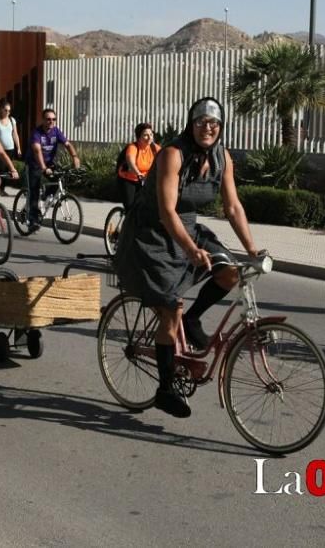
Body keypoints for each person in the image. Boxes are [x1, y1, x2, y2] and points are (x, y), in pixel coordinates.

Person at [114, 97, 261, 418]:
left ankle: (193, 319)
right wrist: (191, 250)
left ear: (221, 128)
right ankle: (165, 388)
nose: (207, 128)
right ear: (190, 124)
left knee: (230, 272)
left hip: (189, 227)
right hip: (150, 234)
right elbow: (167, 211)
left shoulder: (223, 158)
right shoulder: (172, 154)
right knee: (170, 310)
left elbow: (233, 207)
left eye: (214, 123)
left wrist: (252, 250)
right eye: (201, 122)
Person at [25, 108, 80, 230]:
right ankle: (33, 220)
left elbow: (67, 144)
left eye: (53, 119)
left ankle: (45, 197)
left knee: (59, 178)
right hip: (35, 164)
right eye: (48, 119)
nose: (51, 121)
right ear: (43, 120)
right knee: (34, 191)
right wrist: (43, 168)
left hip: (49, 163)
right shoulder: (37, 133)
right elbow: (37, 150)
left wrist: (75, 157)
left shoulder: (56, 131)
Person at [116, 122, 161, 209]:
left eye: (151, 135)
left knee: (148, 206)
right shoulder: (133, 147)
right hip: (128, 179)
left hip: (144, 180)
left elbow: (165, 160)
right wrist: (138, 174)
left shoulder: (155, 148)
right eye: (145, 135)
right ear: (138, 137)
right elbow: (131, 162)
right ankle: (128, 221)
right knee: (130, 207)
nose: (149, 138)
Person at [0, 101, 22, 195]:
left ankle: (2, 189)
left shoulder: (12, 120)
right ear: (1, 109)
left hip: (10, 148)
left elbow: (15, 134)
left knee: (8, 170)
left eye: (9, 111)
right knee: (1, 168)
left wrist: (18, 147)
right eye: (6, 110)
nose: (8, 112)